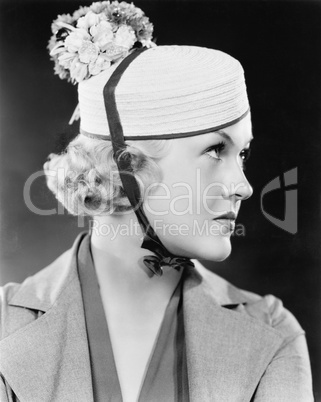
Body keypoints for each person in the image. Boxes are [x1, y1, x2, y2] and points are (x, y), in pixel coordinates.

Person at [0, 1, 314, 401]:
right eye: (216, 149)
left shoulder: (273, 335)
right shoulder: (5, 327)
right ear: (127, 167)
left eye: (243, 154)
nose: (244, 186)